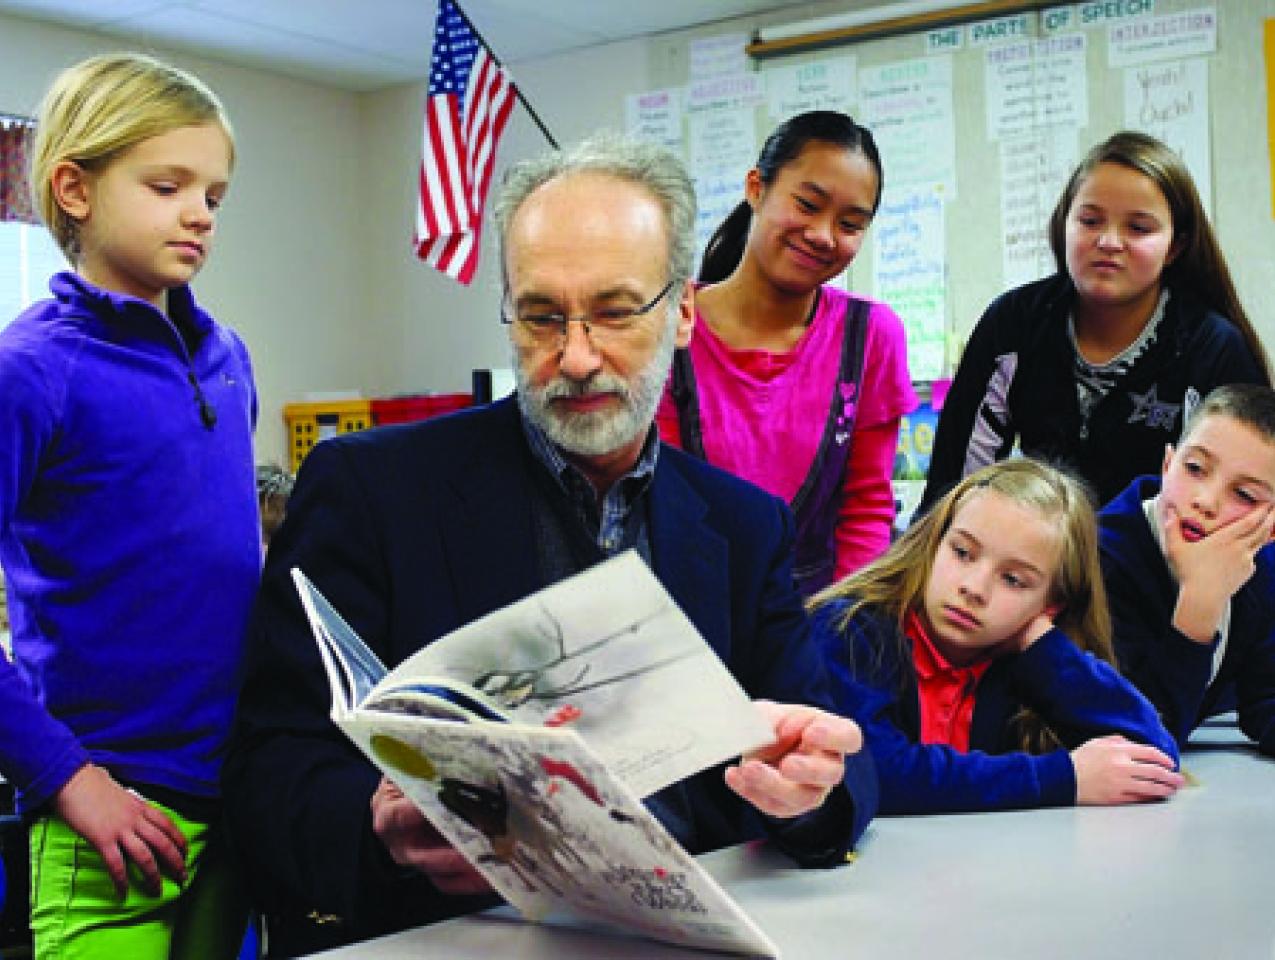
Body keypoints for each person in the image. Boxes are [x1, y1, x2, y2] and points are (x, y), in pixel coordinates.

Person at [223, 133, 877, 954]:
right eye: (539, 316)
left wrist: (810, 789)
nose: (573, 357)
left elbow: (838, 758)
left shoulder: (744, 527)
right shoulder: (369, 490)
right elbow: (267, 769)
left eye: (612, 312)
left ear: (680, 314)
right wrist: (378, 828)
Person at [0, 53, 259, 959]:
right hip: (103, 814)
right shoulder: (29, 371)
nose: (199, 213)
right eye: (167, 185)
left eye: (215, 195)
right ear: (73, 187)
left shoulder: (228, 356)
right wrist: (68, 780)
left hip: (232, 798)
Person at [920, 130, 1270, 515]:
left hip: (1166, 568)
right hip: (1039, 564)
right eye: (1089, 220)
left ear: (1176, 246)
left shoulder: (1214, 350)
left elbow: (1246, 509)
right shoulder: (1013, 324)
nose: (1108, 241)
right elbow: (952, 494)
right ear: (1063, 224)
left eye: (1138, 228)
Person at [808, 458, 1183, 814]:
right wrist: (1061, 778)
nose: (974, 588)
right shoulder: (850, 629)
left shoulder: (1022, 656)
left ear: (1050, 605)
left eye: (1013, 580)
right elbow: (871, 771)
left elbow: (1152, 758)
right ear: (935, 542)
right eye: (962, 552)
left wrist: (1047, 651)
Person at [656, 110, 916, 594]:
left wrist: (837, 631)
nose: (822, 234)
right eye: (807, 204)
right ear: (756, 187)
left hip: (817, 621)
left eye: (850, 223)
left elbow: (866, 512)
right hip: (693, 610)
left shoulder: (871, 336)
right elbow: (659, 502)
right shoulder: (670, 321)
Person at [1099, 384, 1275, 755]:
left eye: (1244, 495)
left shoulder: (1261, 568)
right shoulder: (1100, 560)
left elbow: (1265, 701)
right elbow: (1136, 739)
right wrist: (1199, 603)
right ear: (1167, 465)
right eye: (1194, 468)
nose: (1205, 501)